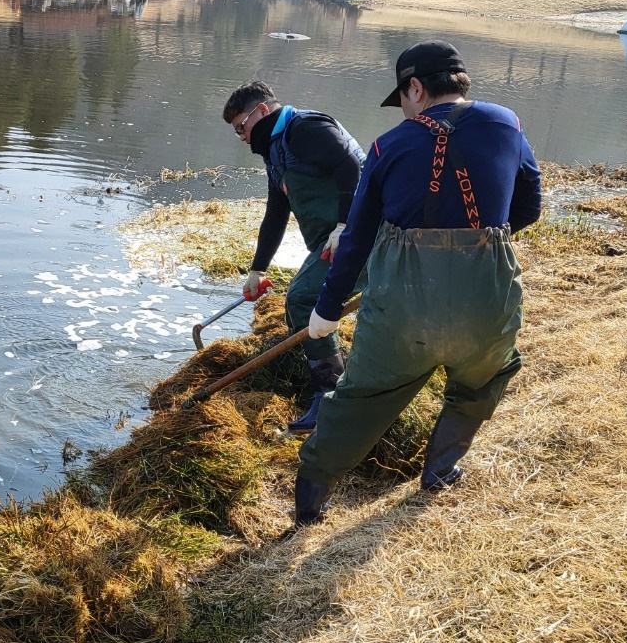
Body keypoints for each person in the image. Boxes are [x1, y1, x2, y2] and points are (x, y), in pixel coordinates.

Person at [291, 40, 542, 525]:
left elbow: (358, 238)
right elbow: (528, 206)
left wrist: (325, 308)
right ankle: (441, 472)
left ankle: (309, 506)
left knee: (359, 400)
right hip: (486, 301)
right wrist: (478, 246)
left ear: (416, 87)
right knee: (480, 383)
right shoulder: (507, 124)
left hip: (403, 311)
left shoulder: (390, 145)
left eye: (403, 98)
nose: (404, 109)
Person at [222, 81, 366, 431]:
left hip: (366, 231)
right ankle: (328, 381)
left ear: (263, 111)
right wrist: (257, 269)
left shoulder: (306, 129)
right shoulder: (277, 151)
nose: (241, 137)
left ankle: (330, 398)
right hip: (331, 241)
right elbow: (276, 214)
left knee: (302, 298)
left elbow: (353, 169)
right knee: (300, 301)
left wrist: (344, 225)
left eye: (241, 127)